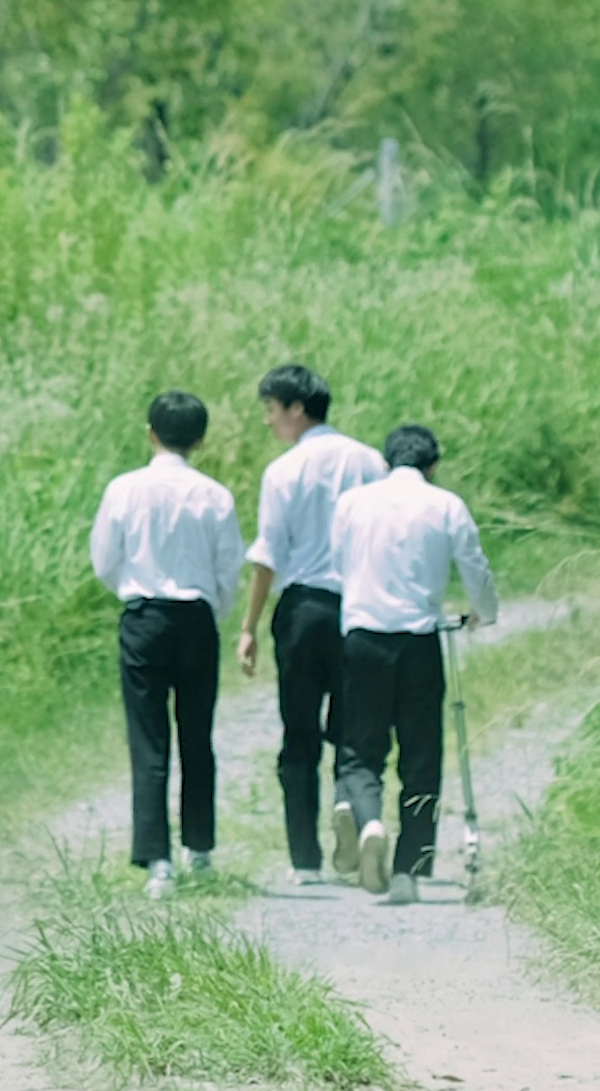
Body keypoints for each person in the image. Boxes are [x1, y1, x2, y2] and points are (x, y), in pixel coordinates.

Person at [326, 423, 497, 904]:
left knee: (359, 750)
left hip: (363, 638)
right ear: (433, 465)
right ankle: (408, 871)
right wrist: (484, 612)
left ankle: (369, 821)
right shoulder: (446, 505)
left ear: (385, 462)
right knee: (421, 756)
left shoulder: (353, 503)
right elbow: (475, 565)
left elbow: (339, 565)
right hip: (419, 643)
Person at [89, 389, 244, 900]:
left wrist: (135, 593)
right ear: (200, 440)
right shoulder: (215, 495)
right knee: (197, 735)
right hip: (196, 616)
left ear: (150, 433)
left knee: (149, 740)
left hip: (144, 616)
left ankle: (158, 861)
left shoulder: (124, 489)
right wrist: (212, 612)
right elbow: (228, 568)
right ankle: (199, 848)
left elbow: (105, 560)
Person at [233, 364, 385, 884]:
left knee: (298, 734)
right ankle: (351, 807)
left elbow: (268, 556)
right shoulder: (371, 461)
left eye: (272, 410)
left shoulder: (284, 471)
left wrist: (250, 625)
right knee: (353, 729)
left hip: (302, 610)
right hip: (359, 608)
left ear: (296, 409)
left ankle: (305, 859)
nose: (269, 421)